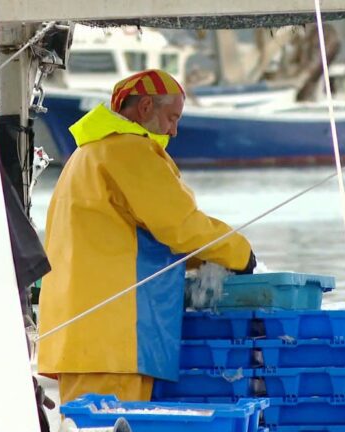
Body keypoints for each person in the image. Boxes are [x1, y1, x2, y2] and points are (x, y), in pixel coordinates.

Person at [37, 69, 255, 405]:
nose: (174, 130)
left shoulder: (86, 155)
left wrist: (204, 257)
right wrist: (239, 253)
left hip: (81, 332)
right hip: (116, 337)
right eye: (171, 117)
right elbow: (179, 226)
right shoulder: (129, 151)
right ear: (145, 108)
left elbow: (141, 233)